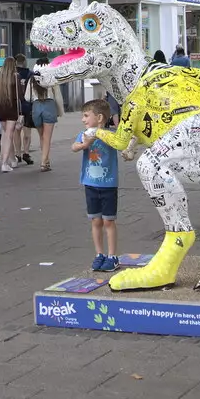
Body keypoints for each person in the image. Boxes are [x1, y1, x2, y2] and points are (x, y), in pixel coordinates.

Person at [70, 98, 120, 272]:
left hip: (108, 185)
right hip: (90, 184)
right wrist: (85, 144)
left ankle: (112, 256)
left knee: (108, 221)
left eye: (86, 116)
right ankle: (99, 254)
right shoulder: (85, 134)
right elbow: (74, 147)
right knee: (95, 220)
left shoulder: (111, 134)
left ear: (99, 118)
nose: (83, 120)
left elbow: (122, 144)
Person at [28, 58, 59, 171]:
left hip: (36, 107)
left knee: (42, 136)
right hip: (49, 105)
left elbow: (27, 97)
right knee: (47, 137)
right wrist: (59, 111)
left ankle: (46, 160)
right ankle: (43, 162)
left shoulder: (32, 79)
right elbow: (58, 96)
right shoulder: (52, 77)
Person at [0, 66, 21, 174]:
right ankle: (4, 163)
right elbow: (20, 95)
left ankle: (13, 160)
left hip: (0, 109)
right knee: (8, 135)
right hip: (11, 109)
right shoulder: (15, 77)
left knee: (7, 135)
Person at [15, 54, 35, 166]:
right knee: (27, 132)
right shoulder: (30, 74)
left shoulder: (12, 75)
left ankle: (17, 154)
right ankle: (26, 153)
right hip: (28, 106)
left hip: (16, 106)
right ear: (25, 62)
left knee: (16, 131)